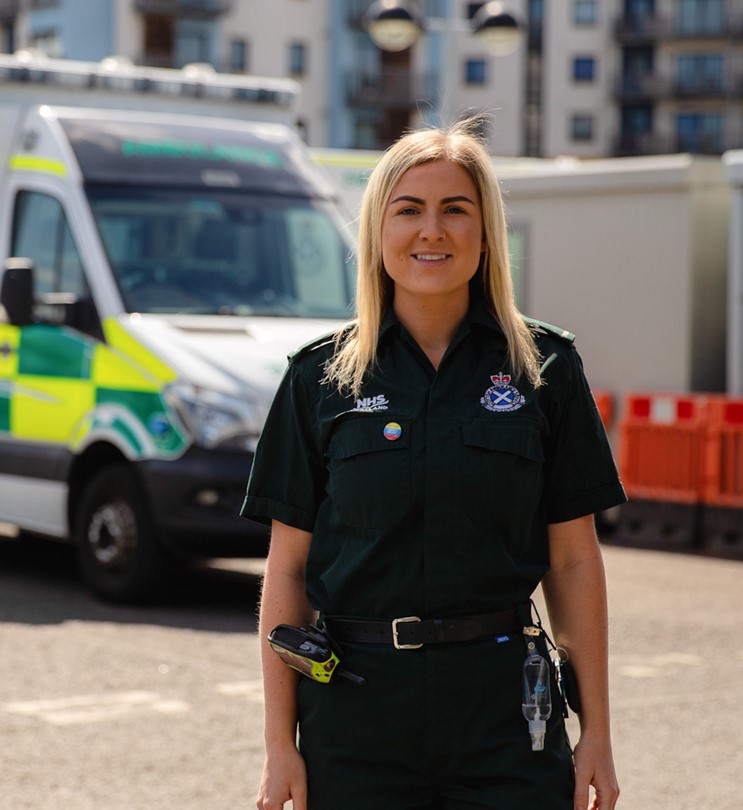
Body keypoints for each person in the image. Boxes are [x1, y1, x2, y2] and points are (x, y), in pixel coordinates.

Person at [241, 119, 625, 810]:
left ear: (485, 233)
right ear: (377, 231)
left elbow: (572, 561)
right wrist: (279, 745)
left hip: (507, 717)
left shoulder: (545, 370)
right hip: (356, 716)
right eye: (409, 210)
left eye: (455, 210)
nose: (432, 231)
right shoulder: (319, 379)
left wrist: (597, 730)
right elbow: (287, 570)